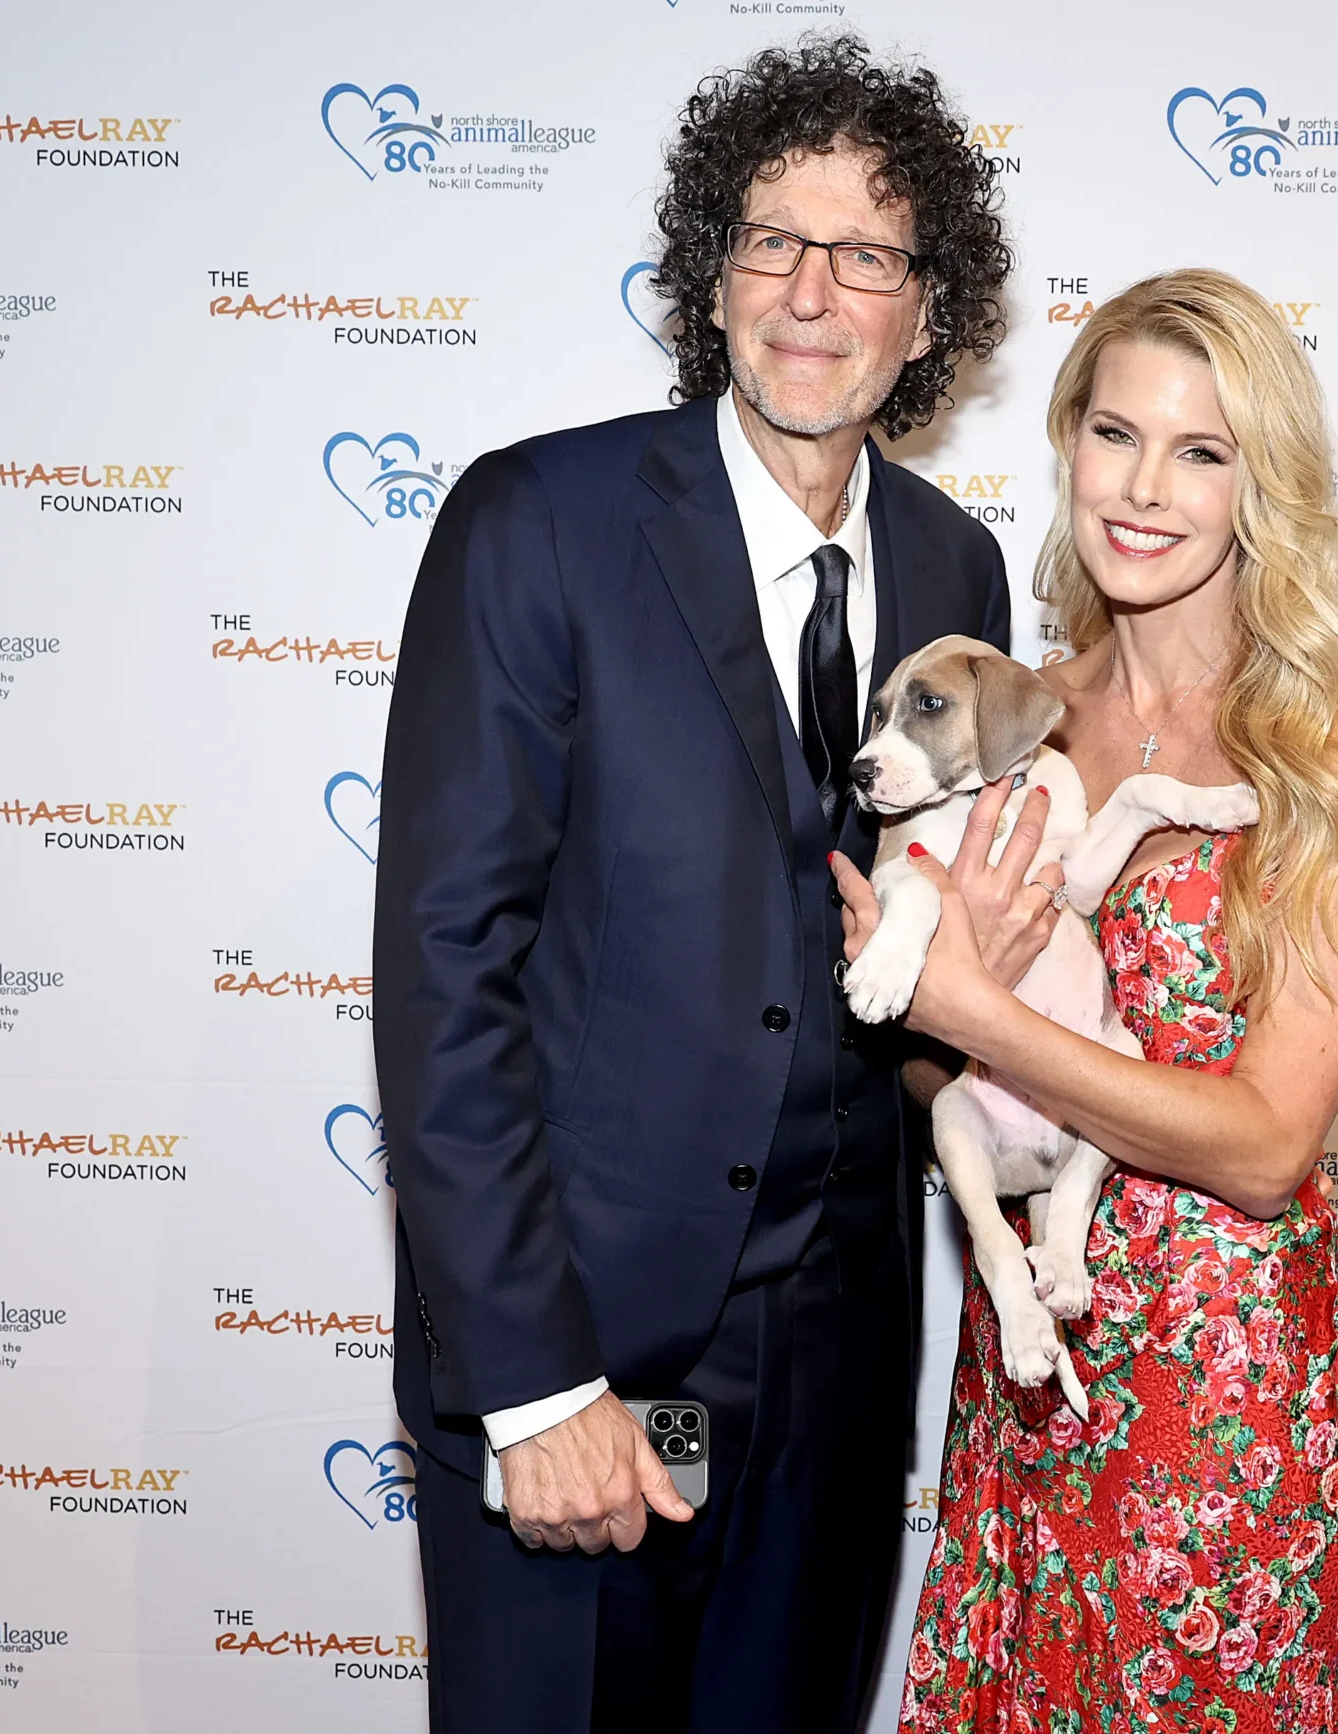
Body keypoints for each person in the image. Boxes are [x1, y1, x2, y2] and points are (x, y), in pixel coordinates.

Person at [371, 36, 1026, 1733]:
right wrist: (534, 1388)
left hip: (837, 1377)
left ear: (927, 307)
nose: (812, 292)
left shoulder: (958, 565)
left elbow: (930, 937)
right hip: (591, 1356)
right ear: (710, 270)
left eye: (866, 252)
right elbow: (447, 968)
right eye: (770, 241)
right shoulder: (540, 519)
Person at [833, 270, 1338, 1730]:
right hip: (1030, 1365)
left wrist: (978, 1007)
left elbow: (1267, 1140)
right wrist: (929, 1010)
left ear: (1258, 485)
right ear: (1067, 445)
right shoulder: (1006, 710)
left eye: (1202, 450)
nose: (1145, 487)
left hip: (1222, 1398)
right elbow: (932, 1071)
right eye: (1115, 433)